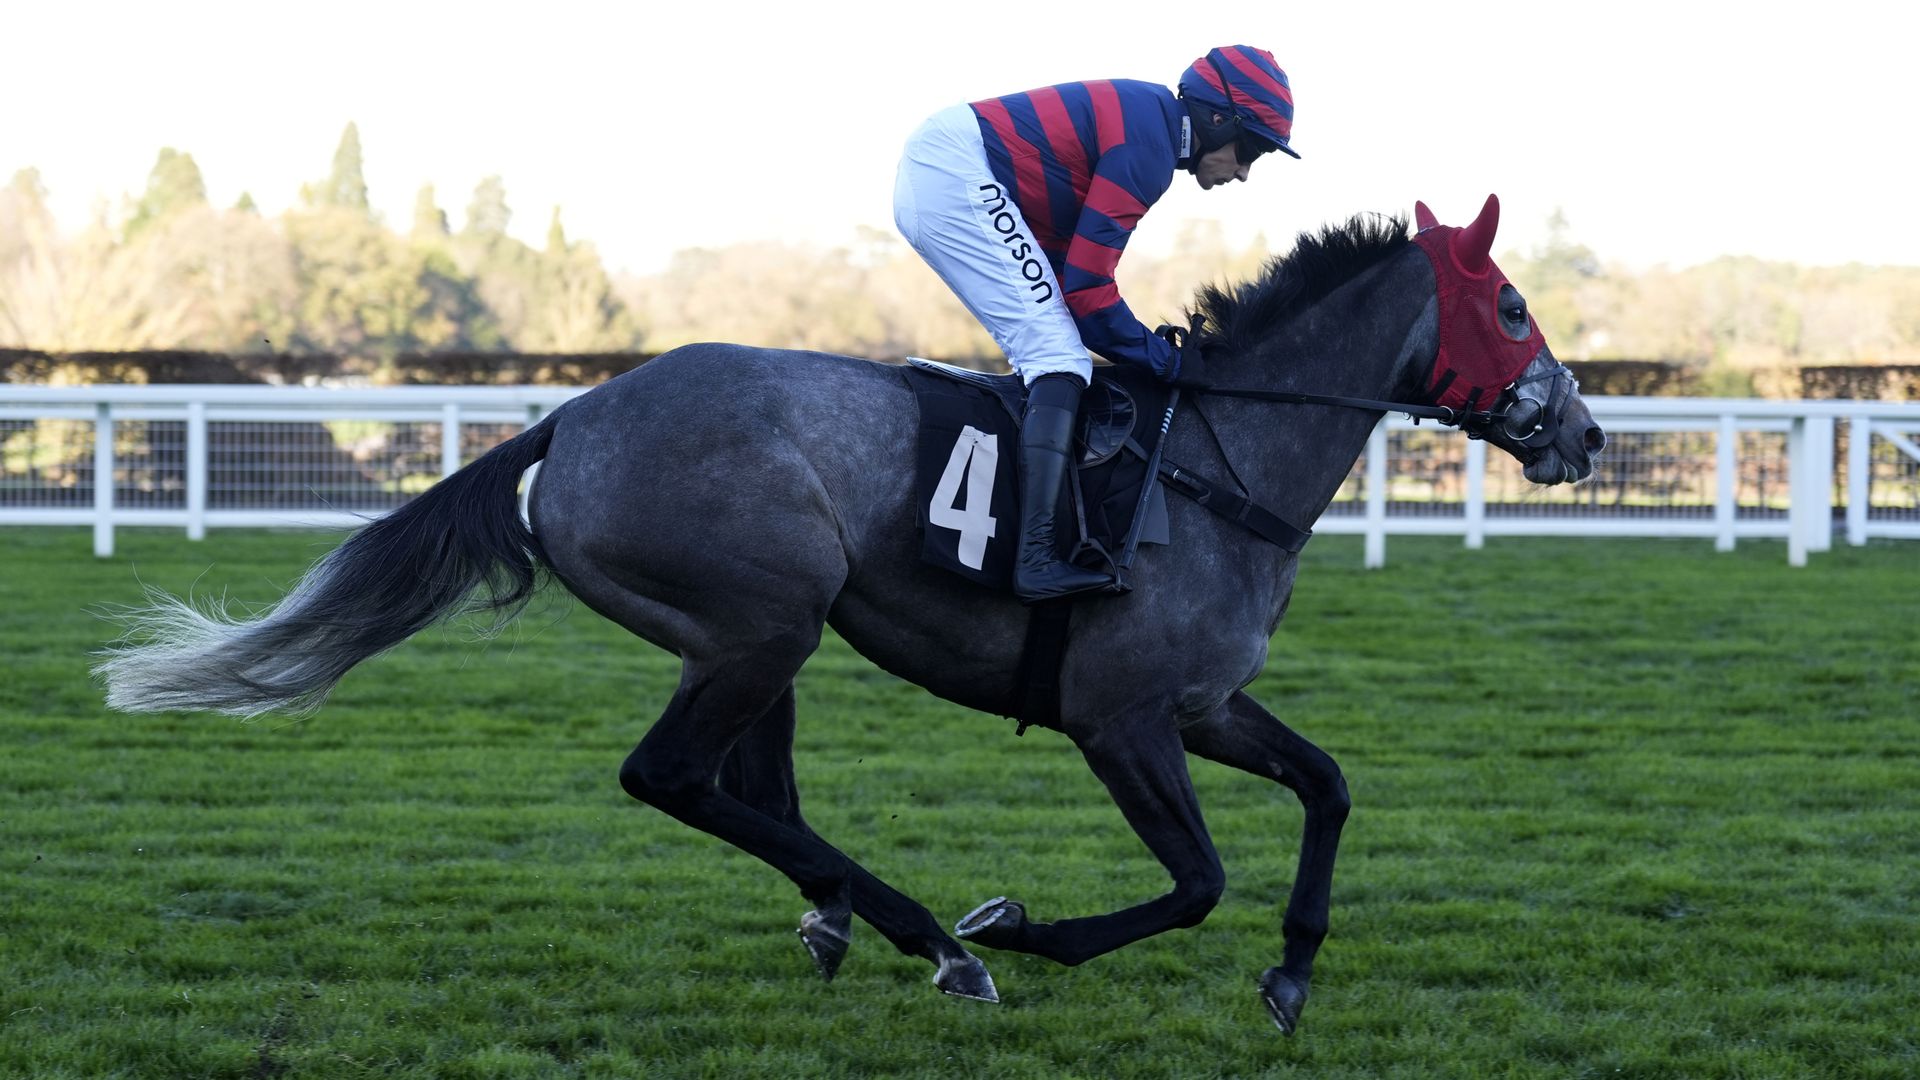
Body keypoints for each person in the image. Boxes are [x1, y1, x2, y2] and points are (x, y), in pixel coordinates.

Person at [893, 46, 1299, 603]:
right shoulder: (1148, 148)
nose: (1247, 171)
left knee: (1057, 347)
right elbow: (1087, 293)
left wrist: (1149, 350)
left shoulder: (1153, 127)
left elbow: (1077, 280)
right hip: (953, 171)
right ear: (1217, 119)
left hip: (951, 167)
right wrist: (1166, 361)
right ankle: (1035, 558)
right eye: (1251, 148)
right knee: (1057, 355)